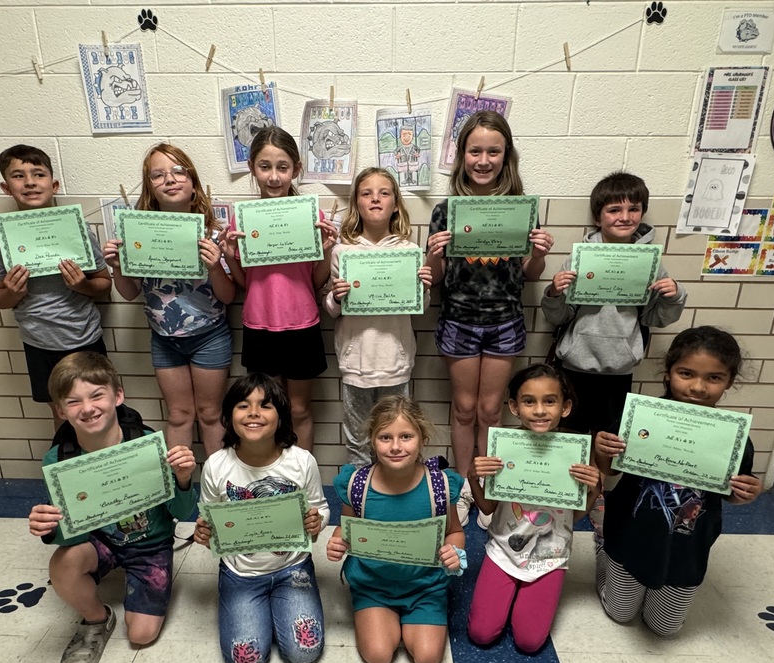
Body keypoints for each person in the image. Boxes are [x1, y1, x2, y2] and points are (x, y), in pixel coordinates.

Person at [27, 352, 197, 663]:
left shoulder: (148, 446)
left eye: (96, 395)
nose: (88, 408)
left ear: (117, 395)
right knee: (63, 564)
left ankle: (139, 580)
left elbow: (183, 513)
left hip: (151, 543)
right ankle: (96, 618)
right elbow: (72, 536)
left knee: (141, 635)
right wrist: (51, 526)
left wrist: (185, 480)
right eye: (73, 402)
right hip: (98, 542)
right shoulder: (58, 460)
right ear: (61, 410)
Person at [425, 111, 553, 528]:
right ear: (461, 156)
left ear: (506, 156)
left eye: (493, 151)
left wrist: (539, 254)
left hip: (505, 321)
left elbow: (530, 276)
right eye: (474, 150)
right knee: (463, 409)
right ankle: (465, 488)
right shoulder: (446, 212)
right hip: (459, 320)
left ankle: (490, 488)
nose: (483, 160)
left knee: (491, 409)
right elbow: (437, 280)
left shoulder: (521, 210)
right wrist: (433, 256)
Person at [593, 326, 763, 636]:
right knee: (620, 614)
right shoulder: (639, 418)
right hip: (630, 534)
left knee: (665, 628)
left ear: (729, 382)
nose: (698, 387)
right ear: (668, 373)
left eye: (714, 377)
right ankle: (602, 549)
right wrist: (602, 451)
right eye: (686, 373)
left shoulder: (734, 439)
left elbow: (732, 494)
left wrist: (746, 493)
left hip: (687, 546)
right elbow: (610, 472)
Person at [103, 143, 234, 457]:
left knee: (210, 414)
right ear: (150, 187)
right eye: (158, 175)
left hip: (209, 335)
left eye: (178, 172)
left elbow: (228, 296)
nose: (170, 180)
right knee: (178, 415)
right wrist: (118, 267)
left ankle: (218, 490)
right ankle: (180, 486)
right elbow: (130, 292)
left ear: (193, 184)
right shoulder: (138, 234)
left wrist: (215, 266)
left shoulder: (214, 234)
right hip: (163, 339)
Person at [194, 373, 328, 663]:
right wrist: (204, 531)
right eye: (243, 405)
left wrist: (317, 522)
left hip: (293, 568)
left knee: (304, 652)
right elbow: (210, 519)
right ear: (229, 416)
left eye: (265, 405)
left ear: (280, 416)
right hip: (240, 574)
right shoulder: (216, 464)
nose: (254, 413)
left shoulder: (302, 461)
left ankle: (277, 607)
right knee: (245, 661)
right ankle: (253, 610)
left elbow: (320, 507)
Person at [466, 364, 600, 653]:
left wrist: (593, 490)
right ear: (514, 406)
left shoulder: (575, 453)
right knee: (481, 633)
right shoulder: (503, 447)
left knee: (529, 642)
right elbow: (488, 507)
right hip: (503, 549)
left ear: (565, 407)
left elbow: (576, 516)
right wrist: (473, 478)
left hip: (550, 554)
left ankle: (527, 594)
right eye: (529, 401)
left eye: (549, 401)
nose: (539, 410)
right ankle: (506, 589)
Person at [541, 171, 687, 437]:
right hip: (574, 365)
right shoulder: (578, 259)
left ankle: (597, 480)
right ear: (598, 217)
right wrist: (553, 293)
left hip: (619, 368)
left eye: (634, 209)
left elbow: (657, 318)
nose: (625, 216)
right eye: (614, 209)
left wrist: (674, 295)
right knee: (569, 434)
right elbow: (559, 317)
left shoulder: (650, 264)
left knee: (606, 437)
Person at [220, 127, 338, 452]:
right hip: (260, 325)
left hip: (303, 323)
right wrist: (231, 256)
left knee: (299, 409)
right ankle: (271, 483)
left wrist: (327, 249)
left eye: (282, 167)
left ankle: (303, 482)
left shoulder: (312, 215)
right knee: (266, 412)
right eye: (265, 167)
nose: (274, 177)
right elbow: (246, 285)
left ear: (296, 169)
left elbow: (314, 283)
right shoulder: (241, 220)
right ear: (252, 168)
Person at [327, 396, 466, 663]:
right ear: (372, 441)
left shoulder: (439, 485)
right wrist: (336, 542)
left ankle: (417, 614)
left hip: (426, 585)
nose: (395, 447)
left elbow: (454, 531)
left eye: (406, 436)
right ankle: (380, 613)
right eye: (385, 437)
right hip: (373, 584)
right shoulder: (357, 485)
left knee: (427, 659)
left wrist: (455, 552)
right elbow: (346, 528)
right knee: (378, 656)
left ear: (422, 439)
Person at [0, 144, 111, 429]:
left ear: (53, 185)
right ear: (6, 188)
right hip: (38, 341)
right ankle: (71, 470)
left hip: (84, 337)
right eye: (18, 176)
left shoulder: (79, 230)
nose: (29, 182)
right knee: (62, 415)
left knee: (100, 411)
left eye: (38, 174)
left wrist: (82, 285)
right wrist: (13, 292)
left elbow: (103, 284)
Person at [323, 167, 432, 465]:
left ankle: (394, 493)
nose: (375, 199)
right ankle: (360, 501)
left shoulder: (409, 251)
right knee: (358, 438)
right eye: (366, 193)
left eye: (384, 193)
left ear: (395, 203)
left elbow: (420, 308)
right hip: (355, 363)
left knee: (396, 435)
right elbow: (331, 310)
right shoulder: (342, 252)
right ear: (356, 202)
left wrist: (422, 288)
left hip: (395, 362)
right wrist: (336, 296)